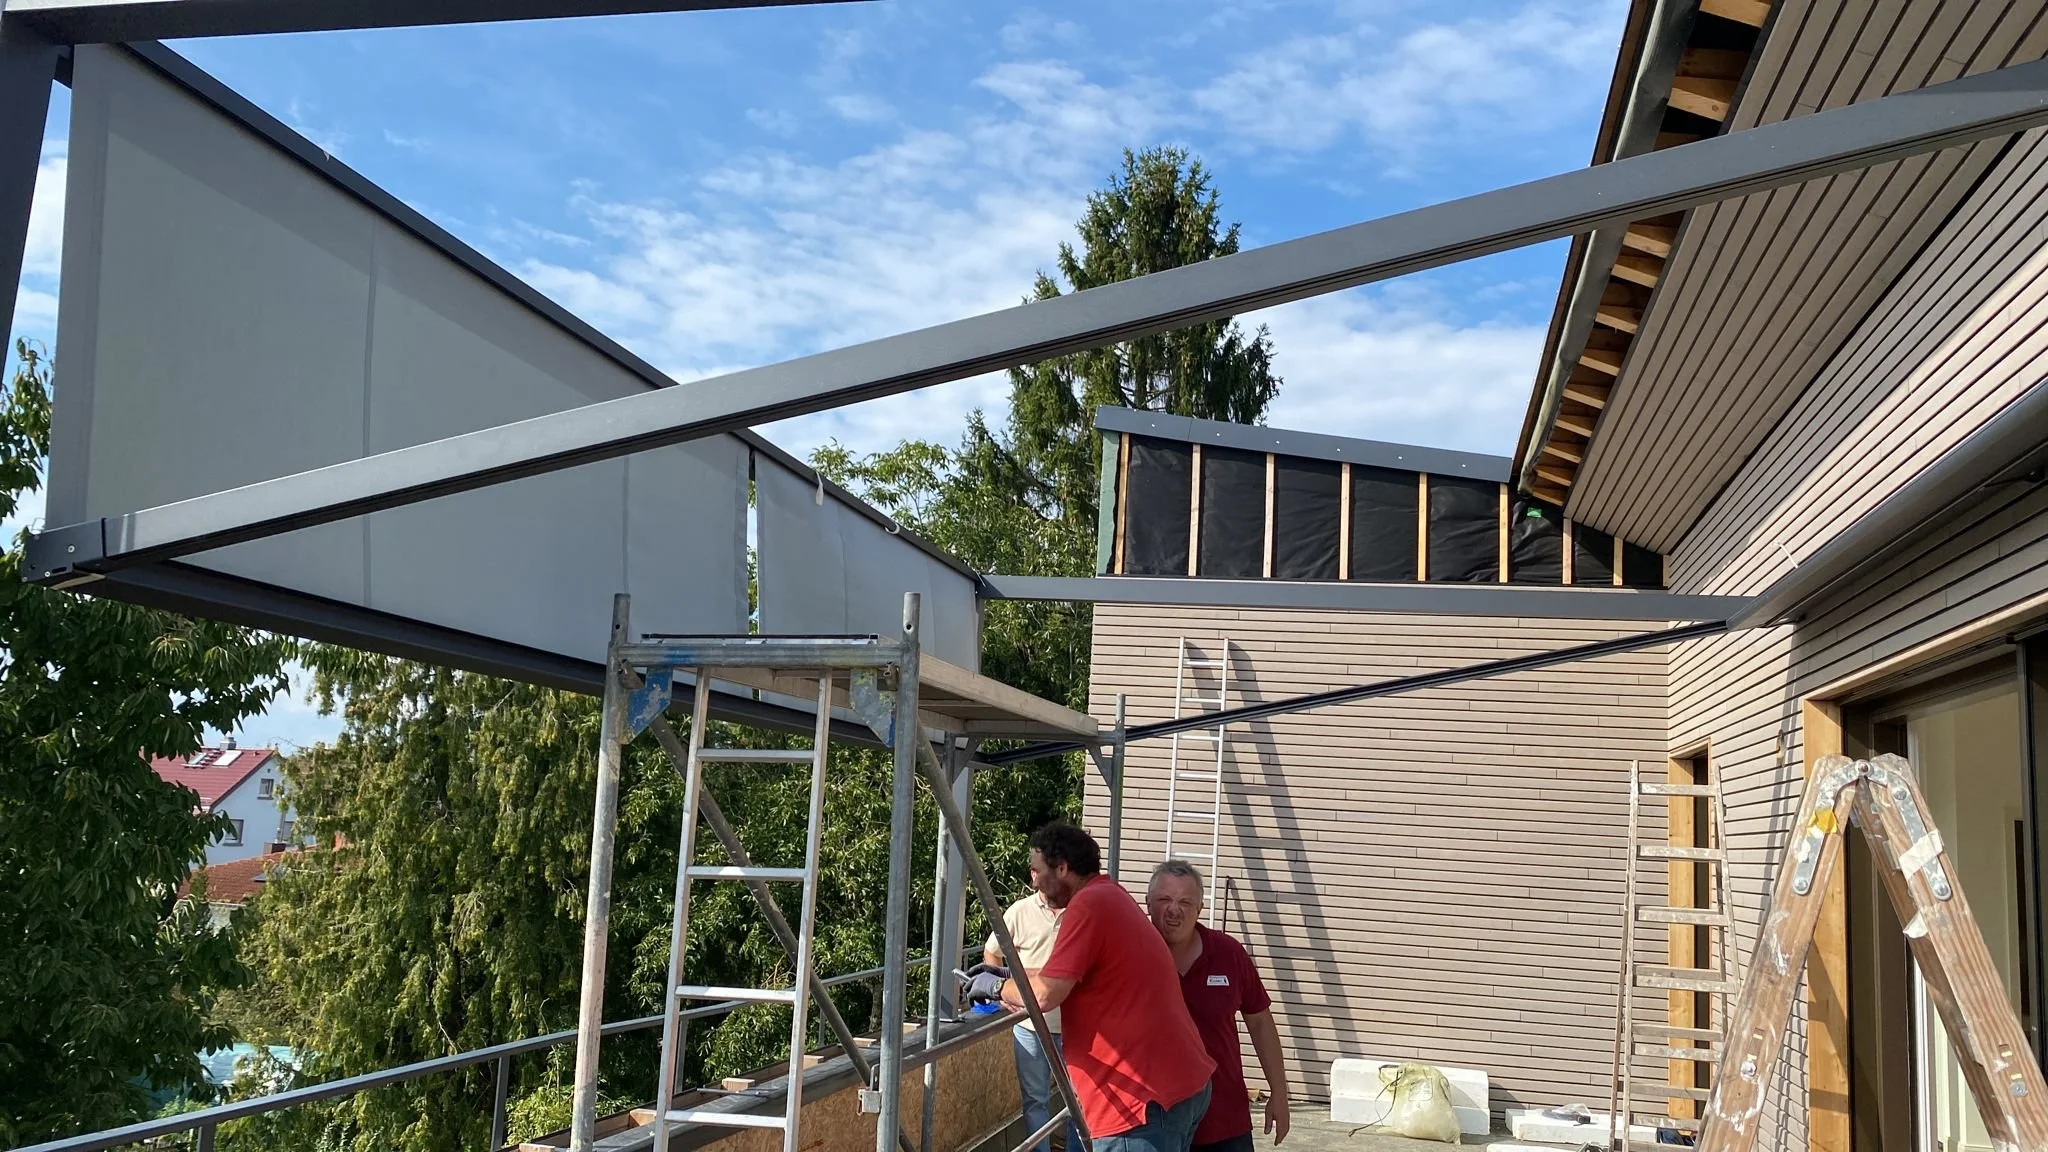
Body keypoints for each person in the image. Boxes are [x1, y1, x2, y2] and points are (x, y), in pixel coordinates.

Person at [979, 822, 1215, 1152]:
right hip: (1173, 1088)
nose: (1032, 879)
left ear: (1061, 868)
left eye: (1037, 870)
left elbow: (1046, 993)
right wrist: (1008, 975)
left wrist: (995, 986)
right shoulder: (1111, 896)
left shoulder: (1088, 906)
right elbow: (1068, 974)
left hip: (1139, 1104)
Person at [1146, 860, 1290, 1152]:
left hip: (1223, 1120)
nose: (1174, 909)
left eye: (1185, 901)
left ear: (1199, 908)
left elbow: (1260, 1021)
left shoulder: (1228, 954)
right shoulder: (1129, 955)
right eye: (1164, 899)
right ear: (1148, 903)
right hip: (1154, 1122)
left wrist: (1279, 1092)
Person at [984, 883, 1083, 1152]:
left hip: (1077, 1027)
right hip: (1030, 1027)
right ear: (1035, 875)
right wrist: (1000, 993)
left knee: (1080, 1099)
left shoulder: (1081, 910)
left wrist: (1034, 973)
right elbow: (992, 951)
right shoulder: (1019, 911)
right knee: (1035, 1099)